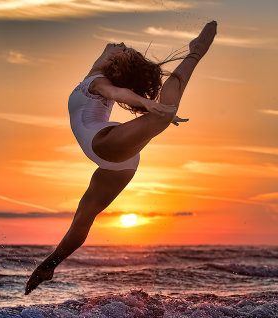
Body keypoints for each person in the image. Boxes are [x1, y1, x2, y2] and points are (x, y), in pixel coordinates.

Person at [25, 21, 217, 295]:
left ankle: (196, 52)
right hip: (119, 160)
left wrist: (149, 105)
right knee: (83, 217)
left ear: (114, 61)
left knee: (162, 114)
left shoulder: (98, 82)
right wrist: (149, 106)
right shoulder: (96, 73)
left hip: (106, 144)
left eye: (123, 49)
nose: (121, 45)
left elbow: (117, 93)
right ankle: (49, 265)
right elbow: (115, 73)